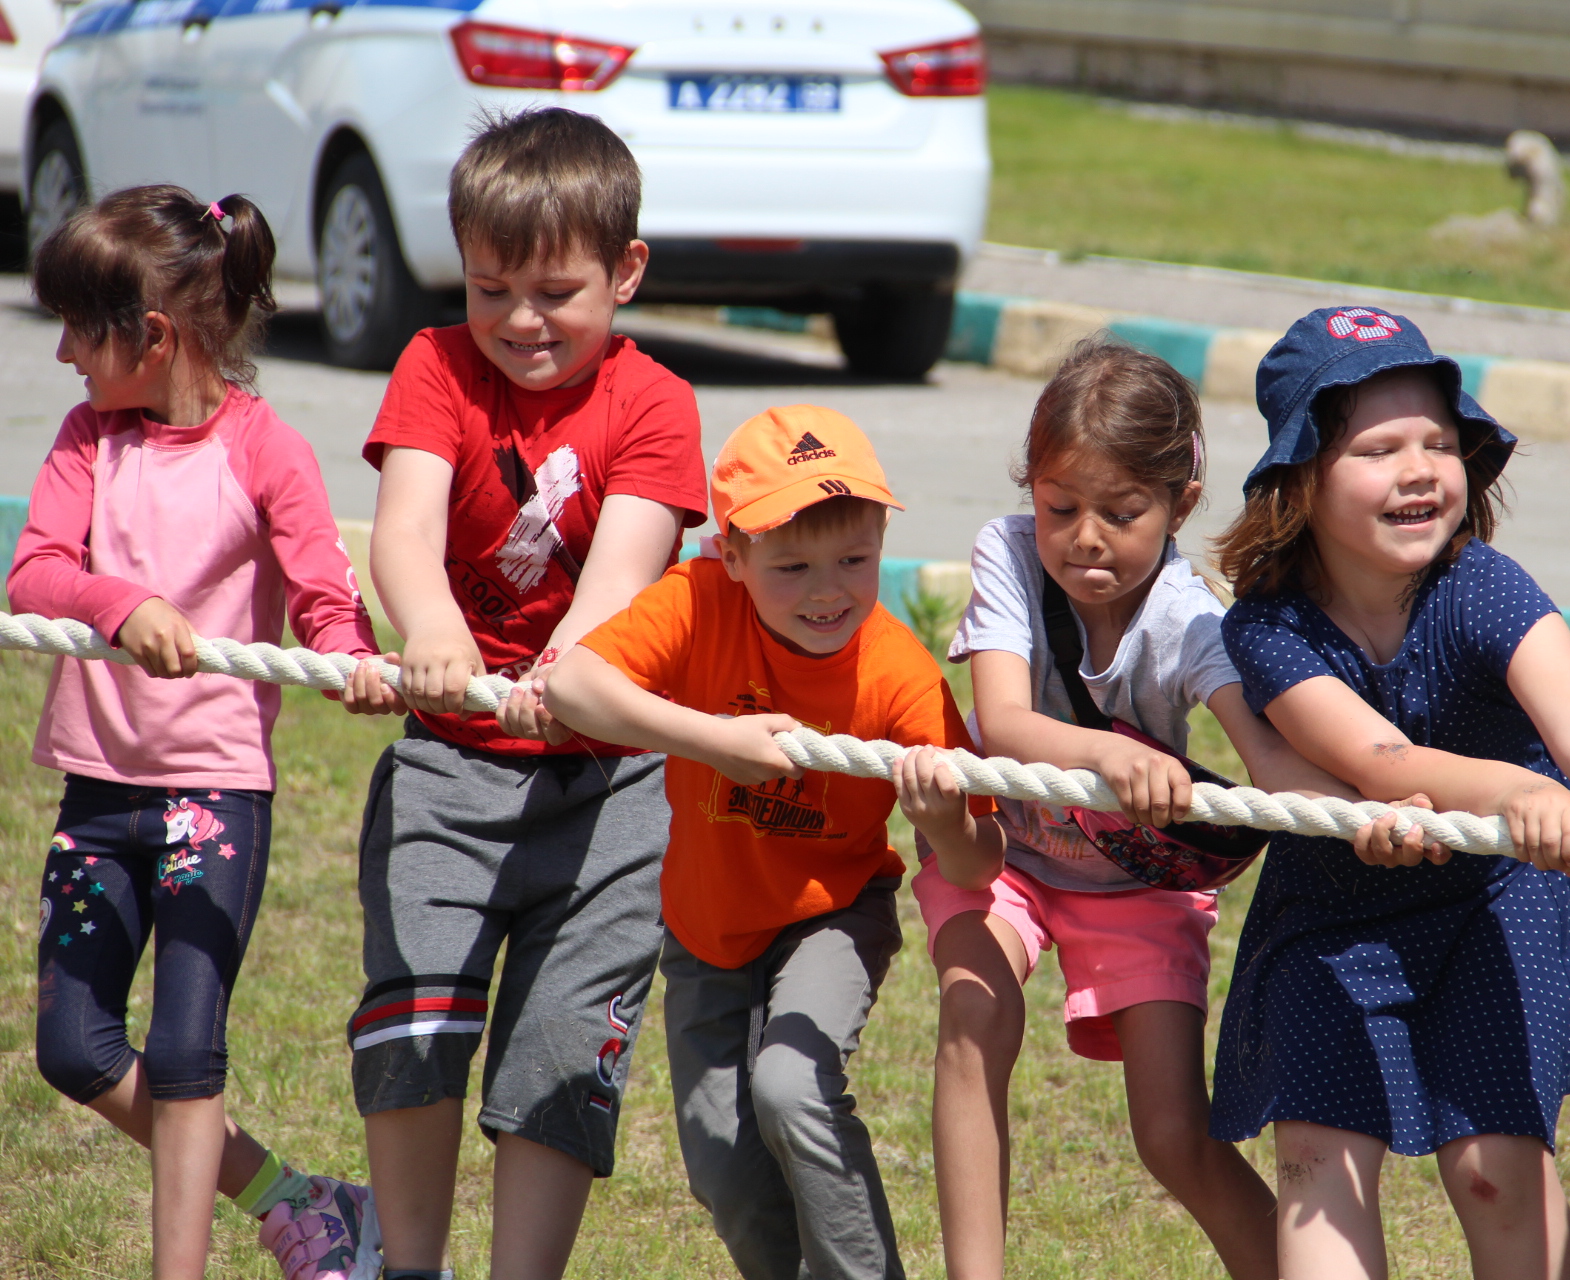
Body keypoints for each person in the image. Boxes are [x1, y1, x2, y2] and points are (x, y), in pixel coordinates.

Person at [1207, 307, 1570, 1280]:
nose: (1419, 467)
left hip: (1498, 896)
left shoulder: (1487, 587)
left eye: (1437, 441)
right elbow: (1376, 758)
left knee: (1495, 1169)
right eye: (1378, 448)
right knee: (1316, 1160)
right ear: (1302, 481)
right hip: (1334, 909)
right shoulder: (1269, 627)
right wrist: (1512, 786)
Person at [337, 107, 707, 1280]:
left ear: (627, 271)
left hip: (609, 785)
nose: (520, 321)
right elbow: (404, 530)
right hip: (449, 766)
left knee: (560, 1051)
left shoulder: (657, 403)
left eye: (554, 291)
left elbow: (623, 576)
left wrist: (571, 672)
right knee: (417, 1016)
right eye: (490, 288)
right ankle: (408, 1265)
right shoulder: (435, 365)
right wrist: (433, 626)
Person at [890, 339, 1351, 1280]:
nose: (1084, 538)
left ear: (1180, 505)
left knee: (1174, 1135)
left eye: (1121, 512)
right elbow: (1008, 723)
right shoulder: (1008, 556)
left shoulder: (1190, 616)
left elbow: (1265, 757)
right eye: (1059, 507)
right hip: (1003, 853)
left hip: (1136, 879)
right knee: (973, 1023)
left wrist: (1371, 811)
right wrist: (1109, 752)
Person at [11, 185, 396, 1280]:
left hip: (211, 795)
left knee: (186, 1052)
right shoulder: (91, 441)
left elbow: (325, 592)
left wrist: (351, 661)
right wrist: (121, 602)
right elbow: (38, 566)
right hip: (99, 791)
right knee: (72, 1049)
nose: (65, 359)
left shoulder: (265, 449)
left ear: (155, 336)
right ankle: (300, 1202)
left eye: (83, 332)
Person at [543, 404, 990, 1280]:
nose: (829, 590)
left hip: (831, 912)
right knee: (720, 1161)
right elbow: (575, 687)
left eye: (855, 561)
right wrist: (717, 741)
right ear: (732, 556)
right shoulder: (698, 601)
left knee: (791, 1085)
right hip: (705, 931)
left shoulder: (899, 674)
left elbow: (978, 861)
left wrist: (941, 817)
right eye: (792, 566)